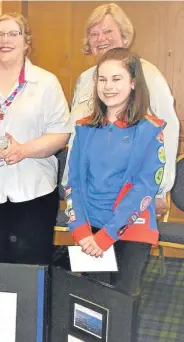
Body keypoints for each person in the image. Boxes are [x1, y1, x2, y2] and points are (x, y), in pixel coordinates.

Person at [0, 13, 71, 265]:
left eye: (13, 33)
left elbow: (61, 133)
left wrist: (24, 150)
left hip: (32, 191)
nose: (5, 40)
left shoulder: (46, 83)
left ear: (26, 41)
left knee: (29, 267)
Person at [62, 3, 179, 219]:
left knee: (125, 251)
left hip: (131, 193)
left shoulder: (149, 76)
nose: (100, 38)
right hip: (88, 192)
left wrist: (161, 188)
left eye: (108, 31)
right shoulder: (85, 79)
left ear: (124, 37)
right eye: (94, 34)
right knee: (90, 249)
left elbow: (168, 131)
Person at [66, 47, 165, 295]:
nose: (108, 86)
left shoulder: (150, 130)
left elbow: (144, 189)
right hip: (90, 230)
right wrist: (80, 229)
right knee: (92, 305)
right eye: (102, 79)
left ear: (133, 82)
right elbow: (73, 183)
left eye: (116, 79)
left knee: (120, 306)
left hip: (131, 229)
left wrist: (107, 236)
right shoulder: (84, 128)